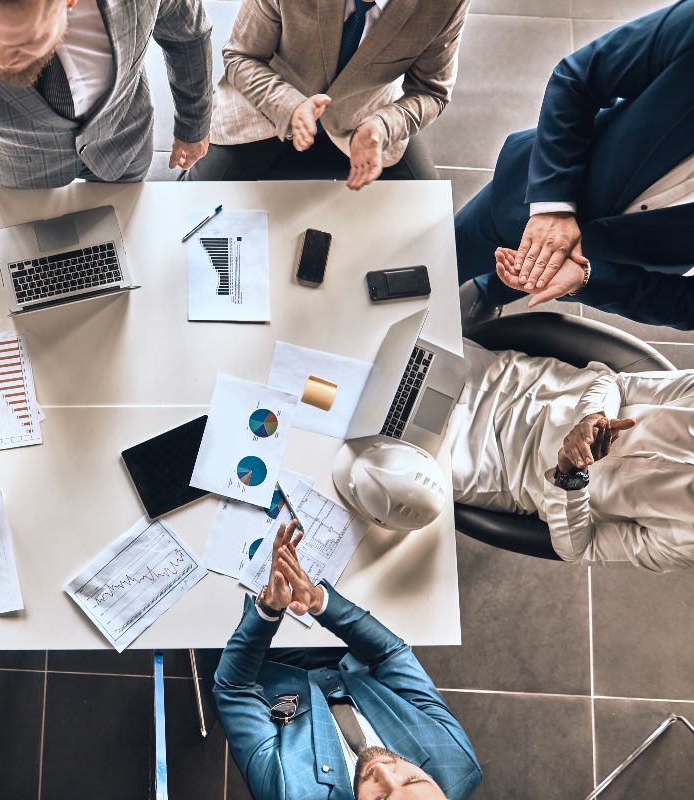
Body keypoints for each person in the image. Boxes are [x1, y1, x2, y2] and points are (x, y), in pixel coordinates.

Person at [0, 0, 214, 363]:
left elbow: (187, 32)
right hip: (18, 169)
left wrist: (194, 124)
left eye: (22, 43)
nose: (0, 60)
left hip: (120, 144)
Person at [455, 0, 694, 329]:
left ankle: (487, 294)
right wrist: (552, 206)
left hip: (617, 261)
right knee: (441, 260)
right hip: (526, 194)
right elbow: (580, 77)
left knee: (512, 281)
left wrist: (587, 278)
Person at [215, 524, 482, 800]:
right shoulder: (455, 762)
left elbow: (234, 689)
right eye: (413, 779)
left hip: (265, 671)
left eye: (381, 799)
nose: (385, 772)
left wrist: (269, 609)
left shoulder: (291, 794)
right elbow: (391, 655)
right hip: (349, 654)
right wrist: (320, 602)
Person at [451, 339, 694, 572]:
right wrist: (593, 415)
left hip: (499, 467)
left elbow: (582, 549)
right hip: (524, 386)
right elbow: (618, 383)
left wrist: (570, 478)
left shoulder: (688, 545)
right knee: (423, 355)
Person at [189, 0, 468, 187]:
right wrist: (290, 106)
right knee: (192, 201)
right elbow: (241, 56)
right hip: (266, 105)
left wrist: (382, 126)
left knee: (426, 215)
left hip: (368, 116)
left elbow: (431, 91)